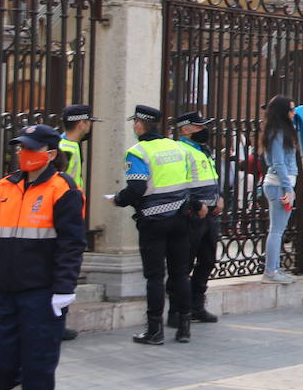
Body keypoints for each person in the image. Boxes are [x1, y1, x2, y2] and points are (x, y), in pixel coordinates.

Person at [0, 125, 85, 390]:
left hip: (42, 295)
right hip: (7, 292)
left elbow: (72, 243)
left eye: (30, 148)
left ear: (50, 153)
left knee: (37, 366)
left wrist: (64, 289)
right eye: (20, 148)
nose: (22, 153)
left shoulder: (64, 190)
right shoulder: (5, 186)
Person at [114, 106, 193, 345]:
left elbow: (136, 188)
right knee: (180, 274)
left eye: (134, 123)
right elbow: (188, 183)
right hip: (181, 218)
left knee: (155, 277)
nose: (133, 127)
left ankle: (155, 330)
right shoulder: (177, 147)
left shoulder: (138, 152)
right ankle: (184, 328)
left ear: (139, 125)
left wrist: (119, 199)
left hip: (153, 220)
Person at [175, 112, 223, 324]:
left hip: (210, 214)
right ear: (185, 129)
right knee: (184, 263)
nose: (203, 130)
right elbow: (180, 184)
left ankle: (197, 305)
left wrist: (219, 197)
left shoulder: (204, 150)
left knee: (208, 260)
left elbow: (210, 178)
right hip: (192, 214)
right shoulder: (180, 151)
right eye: (198, 127)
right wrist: (196, 205)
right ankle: (177, 310)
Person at [57, 104, 99, 343]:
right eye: (89, 121)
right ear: (82, 123)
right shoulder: (66, 149)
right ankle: (58, 322)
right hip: (66, 219)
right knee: (65, 269)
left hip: (70, 216)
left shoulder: (69, 146)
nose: (90, 126)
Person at [260, 95, 298, 284]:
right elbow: (278, 163)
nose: (294, 113)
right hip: (278, 185)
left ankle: (273, 268)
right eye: (291, 109)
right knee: (277, 230)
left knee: (278, 229)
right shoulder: (277, 133)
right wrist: (288, 188)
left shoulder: (279, 131)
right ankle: (270, 271)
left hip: (280, 185)